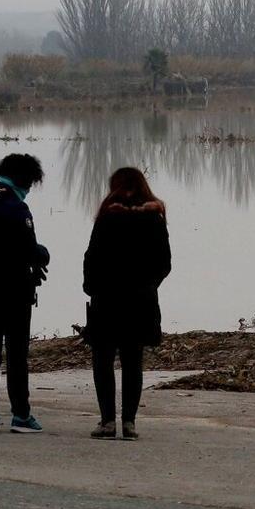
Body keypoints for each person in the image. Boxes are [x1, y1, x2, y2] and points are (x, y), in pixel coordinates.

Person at [83, 167, 171, 440]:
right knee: (133, 362)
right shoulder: (154, 219)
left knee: (103, 360)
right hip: (140, 300)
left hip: (106, 299)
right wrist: (148, 286)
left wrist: (91, 287)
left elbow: (91, 257)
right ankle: (130, 422)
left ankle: (107, 421)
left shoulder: (108, 216)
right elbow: (164, 263)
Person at [0, 154, 49, 434]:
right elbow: (30, 250)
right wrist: (43, 254)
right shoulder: (17, 207)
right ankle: (21, 414)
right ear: (25, 179)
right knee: (16, 352)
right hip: (14, 289)